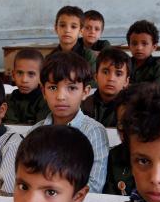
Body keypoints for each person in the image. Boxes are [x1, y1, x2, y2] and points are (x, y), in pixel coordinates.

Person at [32, 53, 108, 193]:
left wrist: (55, 195)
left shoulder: (93, 132)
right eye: (53, 88)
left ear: (85, 92)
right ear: (43, 91)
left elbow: (94, 186)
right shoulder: (35, 132)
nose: (61, 97)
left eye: (72, 88)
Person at [81, 47, 131, 128]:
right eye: (105, 72)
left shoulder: (131, 109)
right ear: (96, 77)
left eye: (118, 74)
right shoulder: (83, 106)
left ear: (126, 81)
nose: (111, 78)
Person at [5, 48, 50, 125]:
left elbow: (39, 128)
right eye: (20, 73)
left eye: (31, 74)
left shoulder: (46, 102)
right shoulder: (9, 100)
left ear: (41, 77)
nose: (24, 80)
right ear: (13, 75)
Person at [52, 5, 97, 71]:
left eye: (73, 27)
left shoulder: (87, 56)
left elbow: (92, 77)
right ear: (56, 28)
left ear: (81, 31)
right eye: (62, 25)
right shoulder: (51, 57)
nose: (67, 30)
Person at [127, 20, 160, 85]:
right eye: (134, 43)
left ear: (154, 47)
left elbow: (158, 89)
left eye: (144, 44)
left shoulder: (157, 67)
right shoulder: (125, 65)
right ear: (129, 46)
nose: (139, 48)